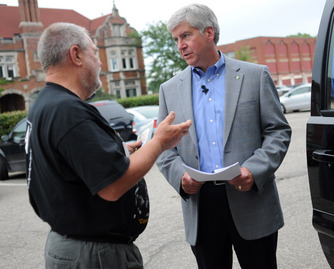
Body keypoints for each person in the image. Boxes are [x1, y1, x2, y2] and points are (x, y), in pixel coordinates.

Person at [25, 22, 191, 269]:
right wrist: (158, 142)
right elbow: (113, 187)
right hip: (94, 255)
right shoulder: (68, 111)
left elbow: (74, 168)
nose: (100, 62)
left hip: (76, 247)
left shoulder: (45, 105)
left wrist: (119, 152)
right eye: (94, 52)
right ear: (76, 54)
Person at [156, 4, 291, 269]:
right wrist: (179, 178)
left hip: (250, 197)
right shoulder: (169, 89)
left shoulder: (255, 76)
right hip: (201, 204)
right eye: (176, 39)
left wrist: (254, 170)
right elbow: (162, 147)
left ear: (208, 33)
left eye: (185, 35)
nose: (180, 45)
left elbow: (278, 131)